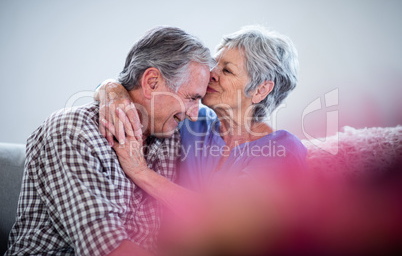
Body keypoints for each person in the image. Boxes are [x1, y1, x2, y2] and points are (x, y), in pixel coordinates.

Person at [98, 25, 307, 254]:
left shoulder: (282, 150)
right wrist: (112, 91)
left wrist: (141, 172)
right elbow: (136, 88)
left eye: (227, 70)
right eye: (215, 64)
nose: (212, 73)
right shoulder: (195, 120)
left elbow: (221, 220)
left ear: (260, 90)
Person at [5, 26, 213, 256]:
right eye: (192, 98)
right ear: (152, 83)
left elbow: (213, 221)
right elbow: (106, 249)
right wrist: (110, 89)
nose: (195, 113)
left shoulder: (170, 135)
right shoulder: (73, 132)